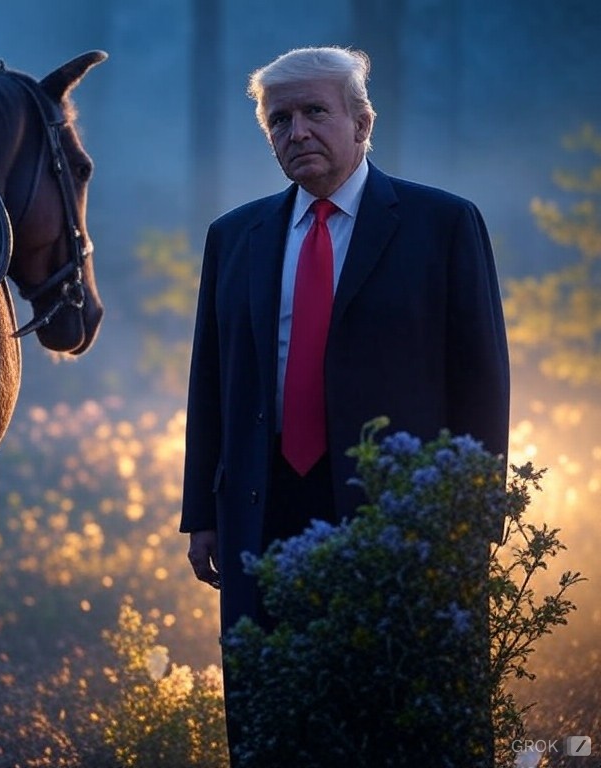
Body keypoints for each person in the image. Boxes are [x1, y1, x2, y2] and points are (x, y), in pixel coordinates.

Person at [179, 46, 509, 764]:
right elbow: (211, 380)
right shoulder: (234, 237)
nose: (295, 131)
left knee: (413, 719)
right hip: (265, 510)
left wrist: (474, 514)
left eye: (314, 113)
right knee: (275, 718)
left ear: (363, 123)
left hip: (401, 515)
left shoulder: (443, 224)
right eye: (279, 119)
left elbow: (481, 378)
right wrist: (202, 516)